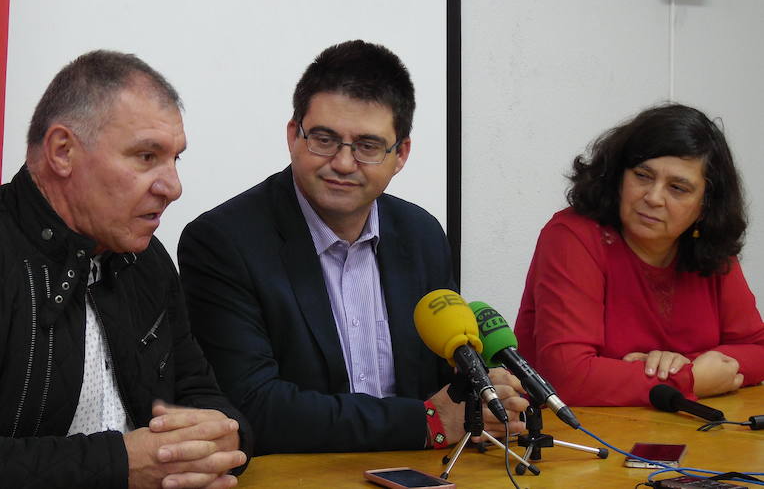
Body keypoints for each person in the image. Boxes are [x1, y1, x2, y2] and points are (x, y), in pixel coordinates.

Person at [0, 50, 251, 489]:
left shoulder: (148, 260)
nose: (173, 187)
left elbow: (205, 396)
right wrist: (119, 466)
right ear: (62, 151)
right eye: (146, 157)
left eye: (175, 159)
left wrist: (223, 439)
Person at [177, 40, 527, 455]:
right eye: (323, 139)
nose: (343, 163)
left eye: (367, 146)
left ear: (401, 155)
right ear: (294, 135)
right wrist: (426, 422)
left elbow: (441, 380)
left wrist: (482, 397)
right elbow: (251, 407)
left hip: (422, 473)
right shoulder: (222, 242)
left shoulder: (421, 235)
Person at [515, 103, 764, 406]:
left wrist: (680, 364)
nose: (654, 197)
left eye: (677, 188)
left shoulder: (710, 247)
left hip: (681, 431)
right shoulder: (573, 236)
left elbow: (757, 348)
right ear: (618, 176)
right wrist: (689, 378)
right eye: (643, 175)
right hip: (575, 437)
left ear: (705, 206)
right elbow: (567, 377)